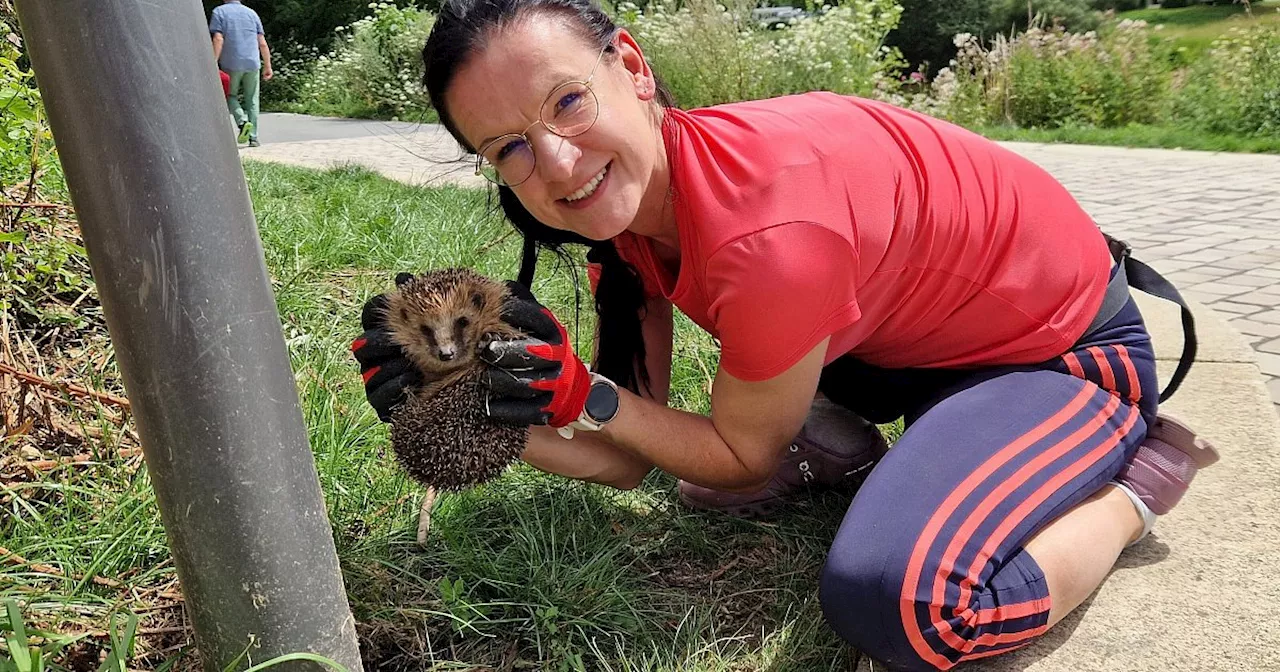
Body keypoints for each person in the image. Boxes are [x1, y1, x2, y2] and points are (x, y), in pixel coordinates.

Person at [350, 0, 1219, 668]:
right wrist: (479, 414)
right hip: (899, 349)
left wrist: (584, 393)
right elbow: (628, 455)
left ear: (634, 70)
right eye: (507, 147)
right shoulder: (620, 232)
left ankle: (1133, 490)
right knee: (719, 457)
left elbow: (736, 456)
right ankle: (841, 442)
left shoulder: (768, 232)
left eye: (568, 102)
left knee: (903, 604)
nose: (558, 163)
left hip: (1060, 355)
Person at [209, 0, 272, 147]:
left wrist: (213, 62)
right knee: (252, 100)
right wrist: (267, 65)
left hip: (231, 63)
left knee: (230, 95)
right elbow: (262, 42)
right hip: (252, 63)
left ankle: (242, 122)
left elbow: (218, 38)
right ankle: (254, 137)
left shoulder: (219, 12)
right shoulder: (252, 13)